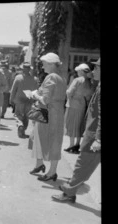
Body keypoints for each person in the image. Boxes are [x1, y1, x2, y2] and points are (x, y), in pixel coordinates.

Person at [52, 58, 100, 203]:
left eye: (96, 68)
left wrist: (98, 138)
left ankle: (68, 192)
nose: (93, 71)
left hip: (94, 134)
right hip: (93, 131)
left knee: (82, 164)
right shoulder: (96, 84)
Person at [29, 52, 67, 181]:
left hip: (49, 114)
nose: (42, 66)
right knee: (47, 140)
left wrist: (34, 95)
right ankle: (41, 165)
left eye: (44, 63)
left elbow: (45, 99)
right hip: (56, 113)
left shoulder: (51, 77)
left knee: (50, 142)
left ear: (51, 64)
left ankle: (52, 172)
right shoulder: (60, 77)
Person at [63, 63, 94, 154]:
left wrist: (68, 95)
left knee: (72, 125)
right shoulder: (89, 82)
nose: (77, 72)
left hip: (73, 105)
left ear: (80, 71)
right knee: (79, 126)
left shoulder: (77, 80)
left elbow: (69, 91)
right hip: (83, 106)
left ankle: (71, 145)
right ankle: (77, 144)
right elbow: (90, 95)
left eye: (78, 71)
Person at [10, 62, 38, 138]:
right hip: (29, 100)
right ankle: (23, 131)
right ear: (29, 69)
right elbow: (36, 91)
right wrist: (34, 101)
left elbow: (13, 89)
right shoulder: (34, 79)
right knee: (26, 117)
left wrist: (11, 99)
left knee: (18, 115)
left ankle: (20, 125)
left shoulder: (18, 78)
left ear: (22, 69)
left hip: (19, 100)